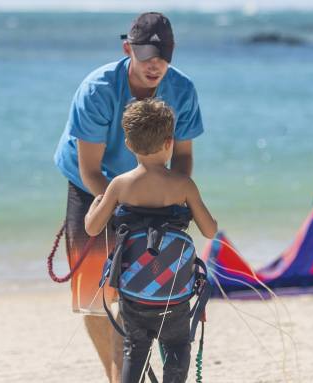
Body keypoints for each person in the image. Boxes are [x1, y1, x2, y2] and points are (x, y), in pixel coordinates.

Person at [52, 12, 204, 382]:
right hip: (93, 186)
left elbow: (182, 159)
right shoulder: (98, 89)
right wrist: (119, 203)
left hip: (152, 189)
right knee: (94, 296)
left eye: (163, 57)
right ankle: (116, 374)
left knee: (142, 288)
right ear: (127, 49)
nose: (156, 66)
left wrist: (172, 200)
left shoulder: (182, 90)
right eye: (147, 56)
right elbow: (91, 170)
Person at [85, 98, 217, 383]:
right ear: (170, 142)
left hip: (134, 294)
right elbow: (209, 231)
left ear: (129, 144)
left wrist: (95, 205)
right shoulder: (183, 184)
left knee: (135, 350)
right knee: (177, 347)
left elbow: (94, 228)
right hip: (175, 293)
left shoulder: (120, 184)